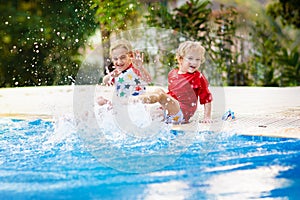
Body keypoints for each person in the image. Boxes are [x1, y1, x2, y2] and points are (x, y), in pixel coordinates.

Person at [137, 41, 213, 124]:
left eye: (198, 59)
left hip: (181, 114)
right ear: (180, 59)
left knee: (161, 96)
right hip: (169, 110)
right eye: (190, 58)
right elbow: (172, 94)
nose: (194, 62)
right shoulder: (173, 73)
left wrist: (207, 117)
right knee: (158, 91)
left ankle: (135, 100)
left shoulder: (198, 77)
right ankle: (138, 102)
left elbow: (207, 99)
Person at [97, 39, 152, 105]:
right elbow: (104, 81)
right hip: (121, 103)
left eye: (123, 57)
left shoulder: (135, 68)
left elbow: (148, 80)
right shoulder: (117, 72)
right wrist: (111, 76)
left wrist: (140, 68)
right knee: (100, 101)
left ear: (130, 55)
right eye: (115, 59)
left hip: (135, 103)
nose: (119, 62)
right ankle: (109, 103)